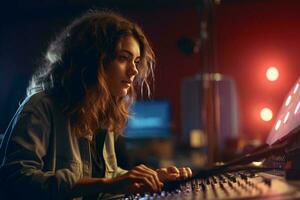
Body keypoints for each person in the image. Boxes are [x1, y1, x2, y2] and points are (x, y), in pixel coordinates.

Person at [0, 10, 192, 200]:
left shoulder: (102, 112)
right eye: (123, 58)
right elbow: (16, 180)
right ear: (94, 59)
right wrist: (110, 184)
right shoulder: (41, 106)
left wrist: (145, 179)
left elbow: (102, 178)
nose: (134, 70)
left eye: (137, 61)